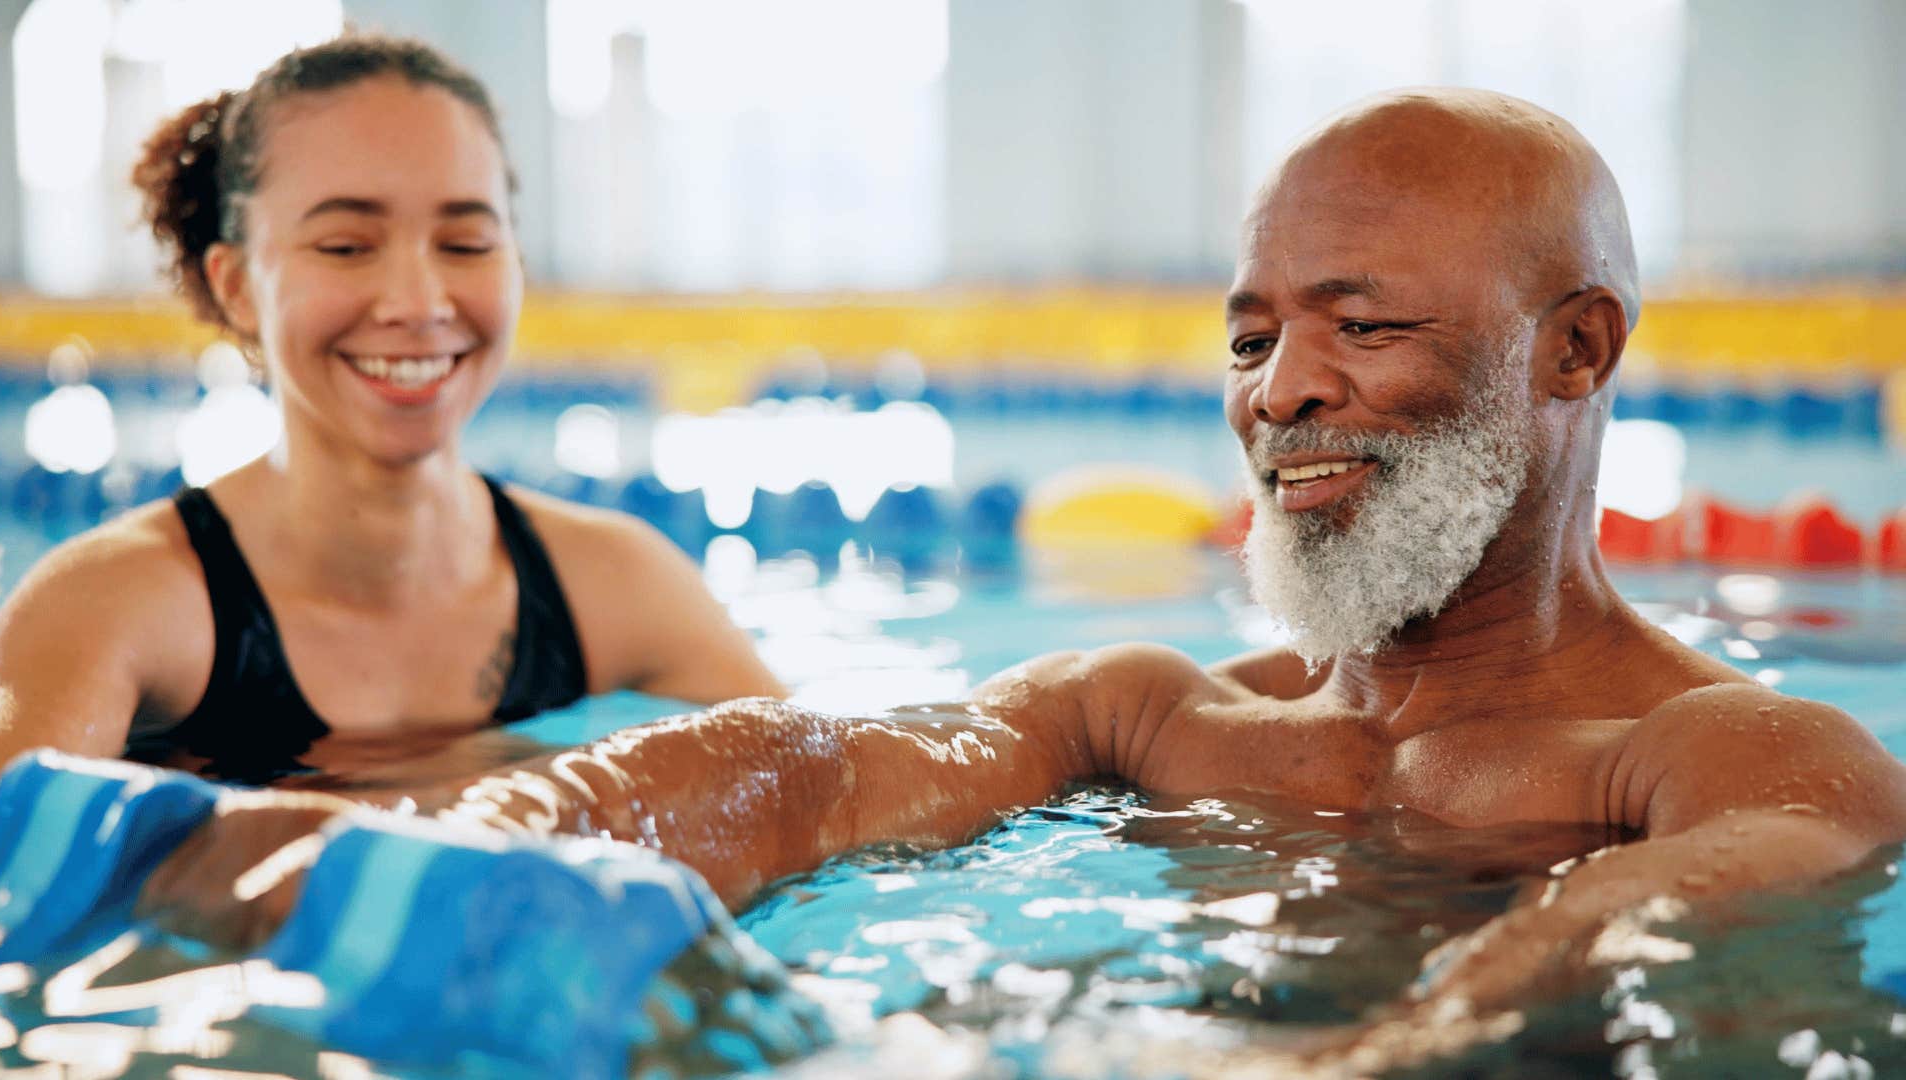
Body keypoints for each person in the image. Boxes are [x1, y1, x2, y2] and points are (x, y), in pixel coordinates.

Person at [140, 87, 1906, 1068]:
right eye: (1250, 334)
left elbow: (1618, 940)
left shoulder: (1745, 757)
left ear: (1575, 347)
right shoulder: (1144, 714)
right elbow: (808, 768)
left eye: (1361, 326)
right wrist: (492, 849)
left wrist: (1358, 1062)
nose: (1280, 388)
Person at [0, 35, 783, 788]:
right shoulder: (117, 605)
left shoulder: (619, 586)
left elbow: (836, 792)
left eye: (466, 244)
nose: (419, 302)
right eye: (345, 246)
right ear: (236, 286)